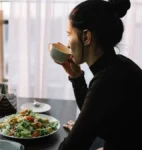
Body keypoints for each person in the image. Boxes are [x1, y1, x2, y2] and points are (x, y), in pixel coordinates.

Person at [54, 0, 142, 149]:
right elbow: (96, 116)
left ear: (86, 37)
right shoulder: (121, 64)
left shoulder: (106, 81)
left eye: (69, 35)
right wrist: (77, 78)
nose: (67, 44)